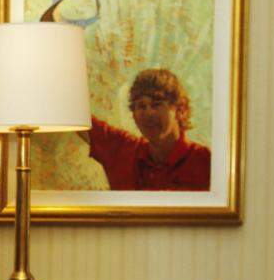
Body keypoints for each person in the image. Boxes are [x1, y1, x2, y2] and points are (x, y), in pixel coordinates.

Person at [78, 68, 211, 190]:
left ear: (181, 110)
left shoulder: (205, 161)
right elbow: (76, 116)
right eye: (141, 106)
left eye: (157, 104)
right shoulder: (122, 151)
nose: (148, 113)